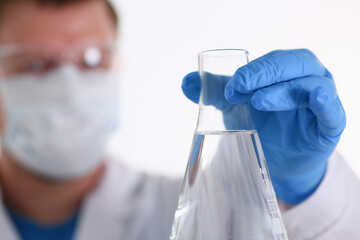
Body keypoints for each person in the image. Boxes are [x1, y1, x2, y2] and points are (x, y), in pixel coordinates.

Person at [0, 0, 358, 240]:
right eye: (34, 64)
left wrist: (299, 189)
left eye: (92, 60)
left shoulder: (202, 211)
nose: (71, 89)